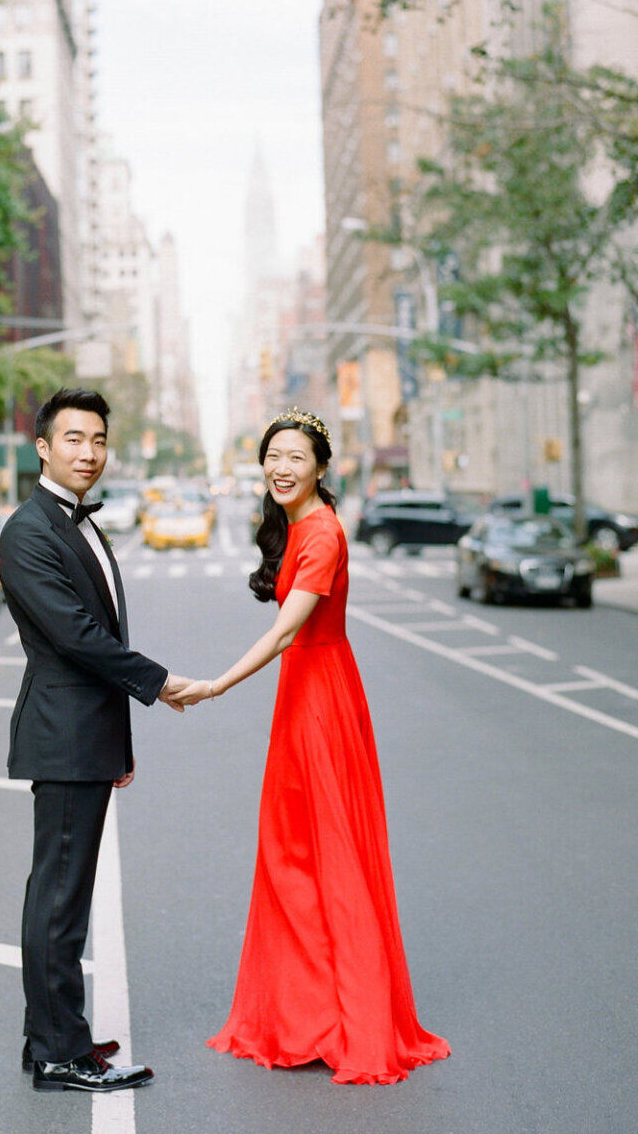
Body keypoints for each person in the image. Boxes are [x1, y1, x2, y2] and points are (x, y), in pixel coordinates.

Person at [175, 406, 451, 1085]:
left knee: (329, 858)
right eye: (274, 456)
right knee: (294, 857)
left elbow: (286, 634)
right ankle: (310, 1016)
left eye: (296, 457)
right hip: (306, 697)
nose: (282, 467)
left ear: (322, 468)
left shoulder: (322, 532)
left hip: (320, 700)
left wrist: (214, 686)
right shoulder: (300, 525)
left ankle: (347, 1021)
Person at [0, 387, 189, 1093]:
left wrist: (122, 744)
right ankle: (57, 1053)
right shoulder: (29, 530)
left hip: (86, 734)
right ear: (43, 447)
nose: (89, 451)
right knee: (57, 898)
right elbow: (77, 639)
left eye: (98, 440)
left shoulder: (78, 523)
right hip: (62, 734)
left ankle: (53, 1036)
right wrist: (162, 682)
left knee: (61, 894)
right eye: (74, 439)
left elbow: (99, 635)